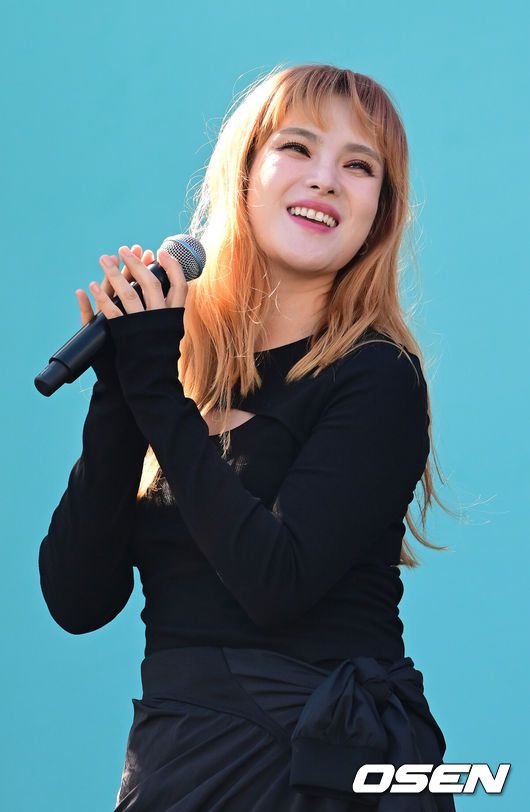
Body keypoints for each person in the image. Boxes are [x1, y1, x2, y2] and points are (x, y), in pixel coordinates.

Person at [39, 63, 456, 811]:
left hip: (319, 770)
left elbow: (276, 583)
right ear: (243, 172)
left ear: (380, 211)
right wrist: (121, 394)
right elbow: (78, 599)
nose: (325, 179)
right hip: (178, 763)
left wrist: (155, 391)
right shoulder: (181, 372)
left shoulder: (378, 376)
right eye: (298, 147)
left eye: (358, 166)